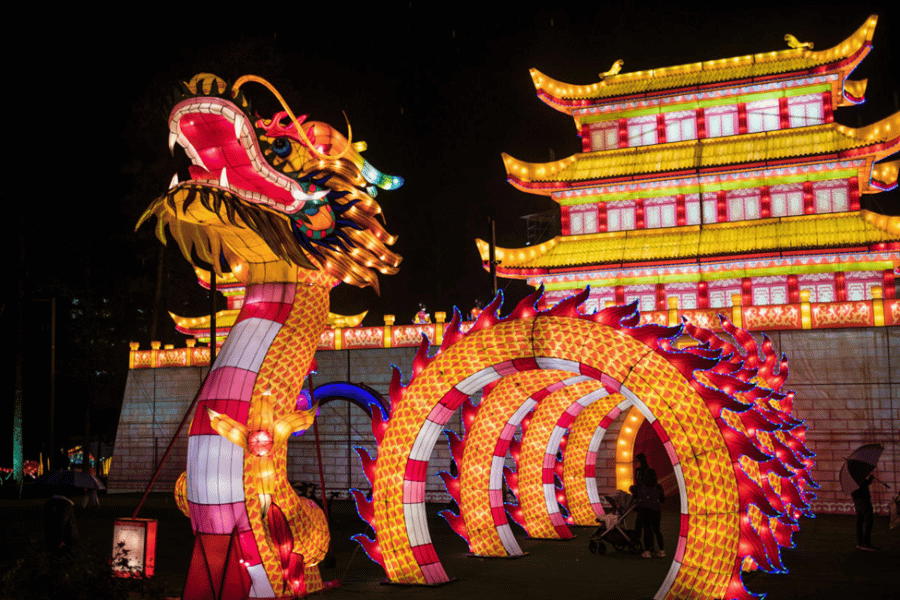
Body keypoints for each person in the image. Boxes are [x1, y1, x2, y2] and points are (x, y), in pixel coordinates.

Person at [630, 453, 665, 558]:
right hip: (656, 510)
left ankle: (647, 551)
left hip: (645, 509)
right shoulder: (658, 488)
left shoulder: (642, 489)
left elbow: (635, 493)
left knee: (646, 529)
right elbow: (662, 500)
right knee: (657, 530)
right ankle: (662, 551)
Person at [45, 487, 78, 556]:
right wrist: (59, 541)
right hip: (65, 539)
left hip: (54, 537)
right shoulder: (65, 504)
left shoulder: (52, 502)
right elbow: (61, 522)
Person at [852, 470, 877, 551]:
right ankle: (866, 543)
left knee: (859, 520)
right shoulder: (857, 475)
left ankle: (860, 543)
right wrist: (869, 479)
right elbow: (862, 485)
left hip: (857, 499)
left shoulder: (851, 476)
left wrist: (869, 480)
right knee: (869, 519)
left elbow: (862, 484)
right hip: (863, 499)